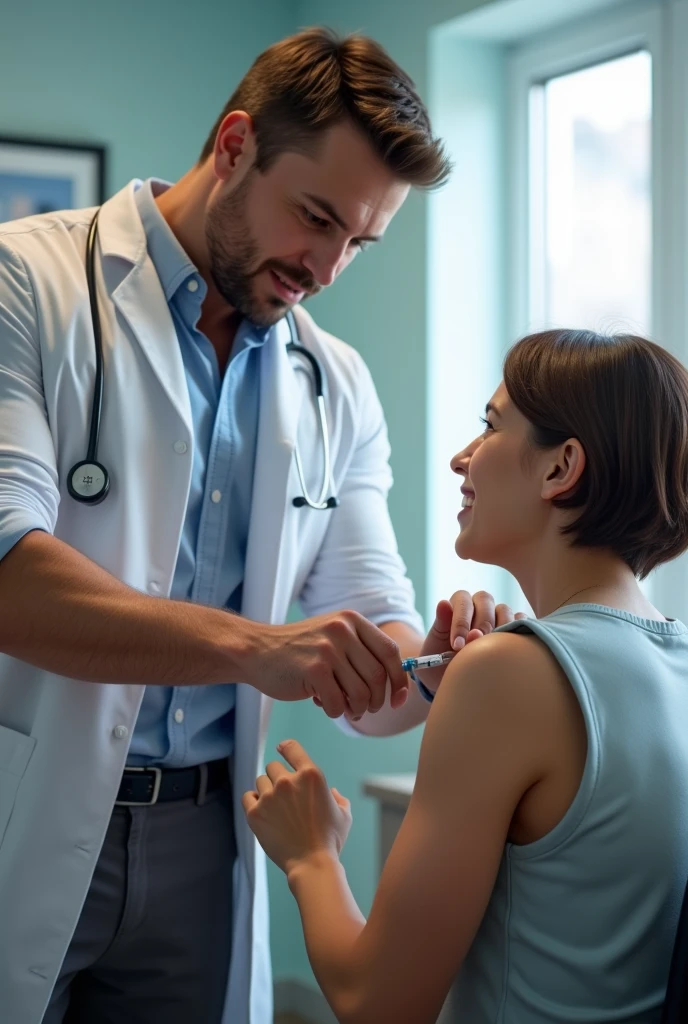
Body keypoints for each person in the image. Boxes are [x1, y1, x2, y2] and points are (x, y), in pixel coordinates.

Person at [0, 26, 517, 1024]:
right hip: (28, 805)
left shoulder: (335, 382)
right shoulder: (27, 284)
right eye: (315, 217)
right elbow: (9, 582)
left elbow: (369, 624)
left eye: (359, 243)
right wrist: (259, 647)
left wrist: (427, 671)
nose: (325, 268)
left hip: (204, 835)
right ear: (234, 144)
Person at [245, 328, 688, 1024]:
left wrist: (308, 853)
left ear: (560, 467)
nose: (462, 458)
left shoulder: (508, 672)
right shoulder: (675, 661)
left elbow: (378, 1004)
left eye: (489, 427)